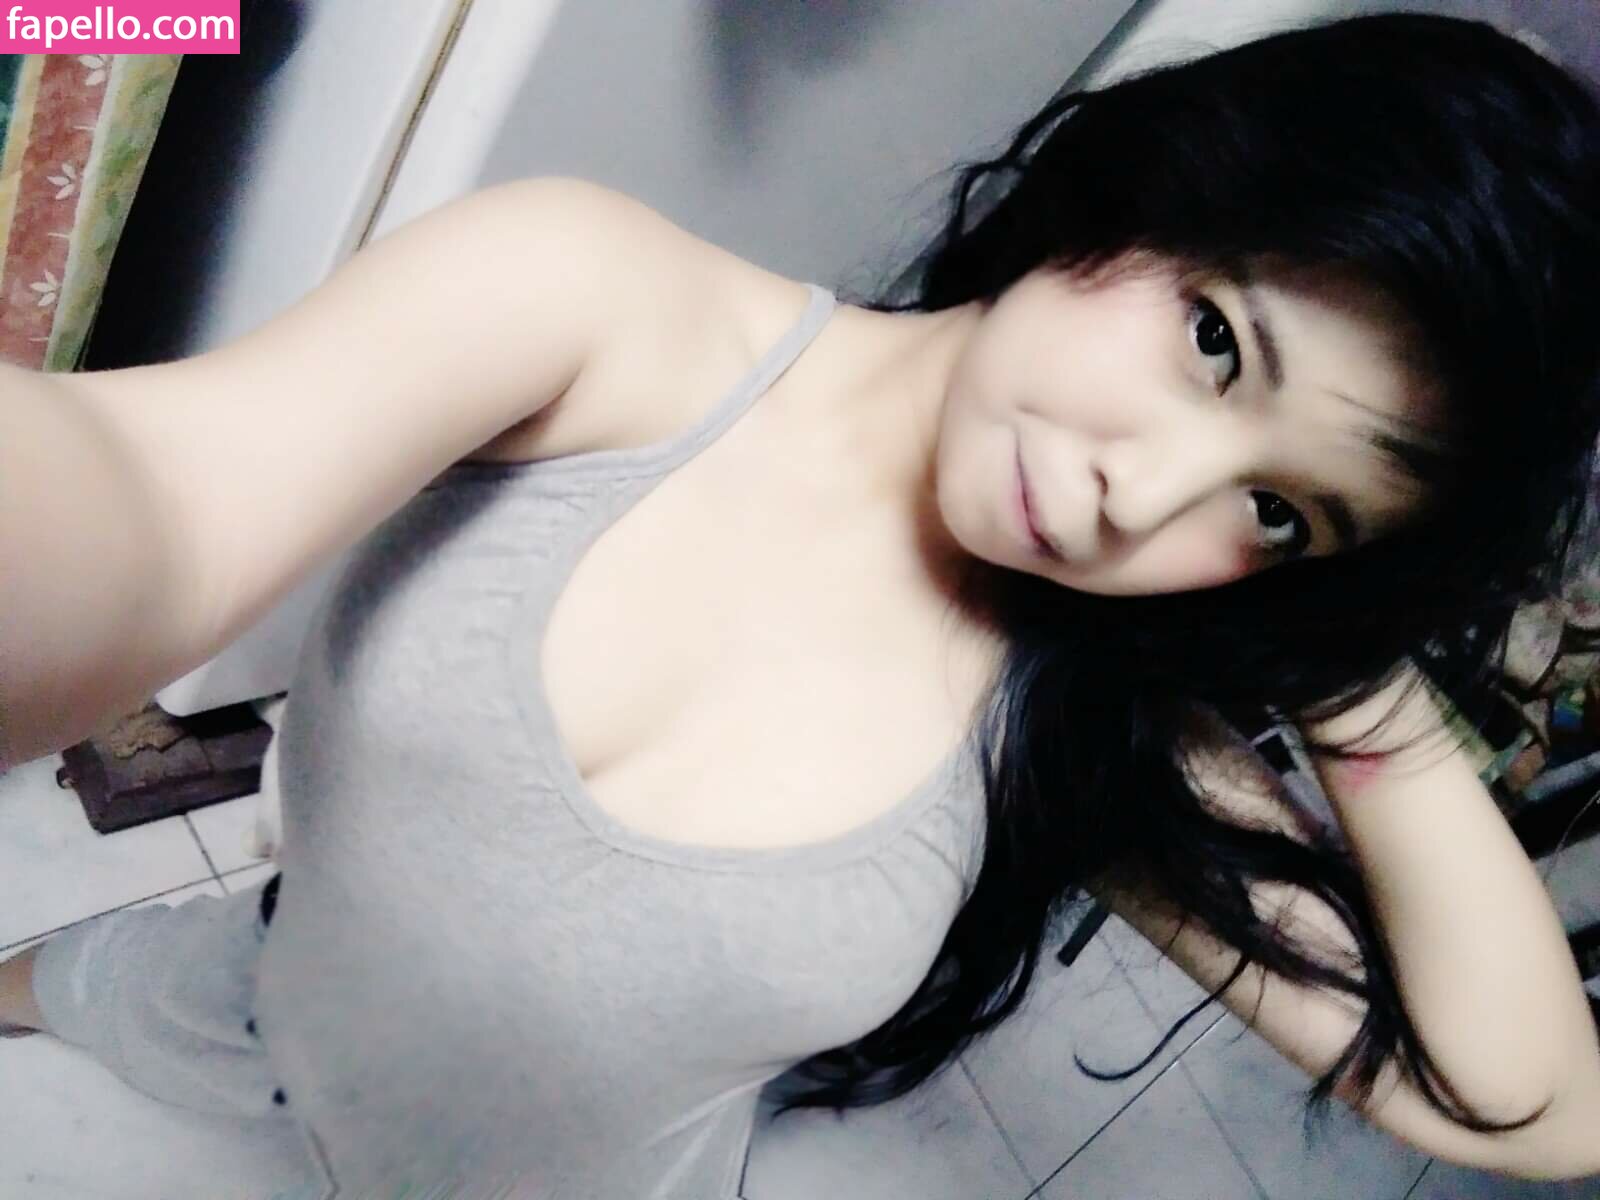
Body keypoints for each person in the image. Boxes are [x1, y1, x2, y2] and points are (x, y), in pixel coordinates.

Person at [1, 10, 1598, 1197]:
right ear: (1157, 185)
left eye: (1277, 510)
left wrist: (1342, 653)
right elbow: (155, 509)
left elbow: (1533, 1104)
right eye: (1217, 345)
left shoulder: (1082, 727)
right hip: (252, 992)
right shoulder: (598, 311)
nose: (1149, 494)